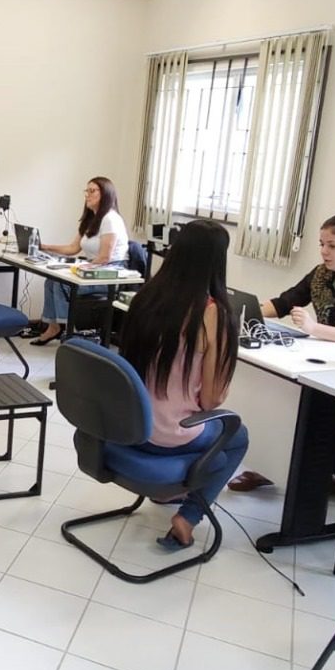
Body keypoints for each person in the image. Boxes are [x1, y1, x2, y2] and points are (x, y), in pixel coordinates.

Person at [230, 211, 335, 492]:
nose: (324, 252)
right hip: (326, 359)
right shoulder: (322, 275)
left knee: (312, 405)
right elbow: (284, 303)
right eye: (321, 244)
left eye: (332, 246)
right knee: (277, 392)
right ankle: (273, 466)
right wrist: (244, 310)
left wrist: (314, 328)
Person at [119, 220, 249, 550]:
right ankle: (188, 517)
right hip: (166, 436)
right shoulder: (211, 313)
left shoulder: (144, 298)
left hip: (127, 427)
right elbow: (211, 400)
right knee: (237, 434)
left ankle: (173, 495)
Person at [31, 176, 130, 345]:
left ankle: (70, 332)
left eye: (92, 191)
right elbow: (73, 248)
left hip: (110, 274)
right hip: (94, 268)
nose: (87, 195)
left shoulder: (110, 219)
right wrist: (44, 246)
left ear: (105, 194)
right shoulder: (91, 219)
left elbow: (106, 257)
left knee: (62, 284)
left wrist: (80, 268)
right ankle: (54, 328)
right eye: (87, 191)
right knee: (51, 281)